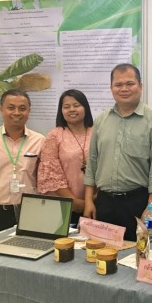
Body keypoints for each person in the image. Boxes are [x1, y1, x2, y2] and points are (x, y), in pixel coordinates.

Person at [83, 63, 152, 241]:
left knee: (135, 258)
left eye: (130, 83)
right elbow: (92, 161)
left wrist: (151, 206)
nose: (124, 89)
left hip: (137, 203)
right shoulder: (101, 120)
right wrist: (89, 200)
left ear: (140, 86)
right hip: (104, 202)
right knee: (101, 255)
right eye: (118, 85)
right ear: (111, 88)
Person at [0, 89, 45, 233]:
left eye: (22, 108)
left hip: (31, 210)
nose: (17, 113)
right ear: (1, 110)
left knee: (32, 251)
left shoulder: (40, 141)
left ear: (29, 111)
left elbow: (44, 179)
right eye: (11, 107)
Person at [38, 89, 93, 226]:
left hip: (95, 203)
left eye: (76, 105)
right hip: (64, 206)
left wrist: (91, 199)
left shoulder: (97, 132)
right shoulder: (54, 136)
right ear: (61, 110)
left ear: (85, 107)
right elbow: (51, 175)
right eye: (66, 107)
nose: (71, 110)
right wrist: (74, 201)